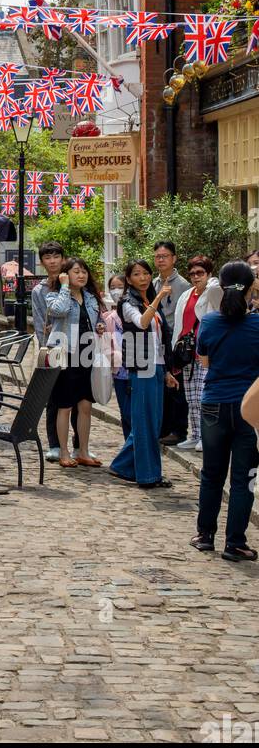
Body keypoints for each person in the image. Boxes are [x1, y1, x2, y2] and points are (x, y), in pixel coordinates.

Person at [191, 260, 259, 560]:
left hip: (214, 403)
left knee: (212, 474)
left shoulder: (208, 323)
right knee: (243, 478)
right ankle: (235, 542)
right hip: (249, 407)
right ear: (250, 287)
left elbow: (204, 363)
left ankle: (205, 535)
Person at [109, 260, 177, 489]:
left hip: (155, 366)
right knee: (145, 421)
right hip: (141, 367)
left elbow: (159, 340)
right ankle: (148, 476)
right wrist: (157, 299)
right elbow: (141, 322)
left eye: (146, 273)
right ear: (128, 279)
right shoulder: (127, 302)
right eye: (137, 274)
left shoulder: (147, 299)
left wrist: (166, 370)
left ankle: (123, 465)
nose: (143, 277)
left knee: (152, 422)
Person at [44, 258, 105, 469]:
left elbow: (98, 318)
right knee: (65, 405)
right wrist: (63, 286)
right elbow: (58, 311)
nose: (81, 275)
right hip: (65, 355)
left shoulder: (90, 298)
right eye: (76, 272)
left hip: (86, 355)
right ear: (65, 275)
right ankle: (63, 451)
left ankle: (83, 451)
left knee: (85, 405)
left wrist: (100, 325)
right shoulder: (55, 295)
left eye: (84, 272)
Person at [31, 240, 78, 462]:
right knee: (54, 398)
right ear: (42, 262)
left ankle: (79, 444)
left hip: (78, 345)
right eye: (47, 258)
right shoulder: (39, 290)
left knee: (78, 398)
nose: (52, 261)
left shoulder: (73, 280)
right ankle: (55, 444)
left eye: (56, 257)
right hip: (53, 346)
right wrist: (44, 346)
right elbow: (41, 321)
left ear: (63, 258)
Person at [170, 255, 222, 453]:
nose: (195, 277)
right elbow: (180, 324)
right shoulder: (187, 295)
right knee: (191, 398)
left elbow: (217, 294)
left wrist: (211, 282)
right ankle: (195, 435)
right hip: (188, 352)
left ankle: (206, 437)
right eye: (192, 273)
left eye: (200, 273)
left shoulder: (212, 292)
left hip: (206, 352)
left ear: (209, 273)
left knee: (203, 396)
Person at [153, 240, 190, 446]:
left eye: (165, 256)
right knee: (164, 388)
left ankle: (179, 430)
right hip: (158, 340)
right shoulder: (154, 283)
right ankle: (165, 428)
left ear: (174, 258)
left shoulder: (183, 284)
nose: (161, 260)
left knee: (178, 389)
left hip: (175, 341)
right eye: (158, 256)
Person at [104, 273, 130, 440]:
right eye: (112, 288)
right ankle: (129, 444)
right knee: (125, 412)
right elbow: (106, 345)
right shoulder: (109, 319)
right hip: (119, 371)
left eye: (119, 287)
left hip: (138, 370)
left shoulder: (135, 311)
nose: (116, 291)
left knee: (136, 412)